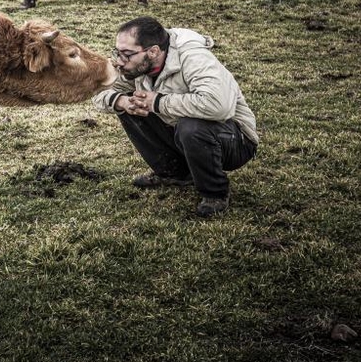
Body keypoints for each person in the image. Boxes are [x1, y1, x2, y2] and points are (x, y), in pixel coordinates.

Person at [92, 16, 259, 217]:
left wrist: (158, 102)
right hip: (180, 132)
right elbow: (98, 91)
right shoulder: (137, 65)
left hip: (234, 140)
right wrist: (121, 101)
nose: (119, 62)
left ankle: (215, 192)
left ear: (153, 51)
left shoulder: (193, 57)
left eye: (126, 54)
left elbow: (219, 106)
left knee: (191, 126)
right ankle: (175, 174)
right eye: (117, 52)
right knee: (130, 103)